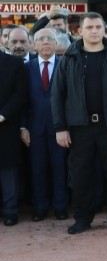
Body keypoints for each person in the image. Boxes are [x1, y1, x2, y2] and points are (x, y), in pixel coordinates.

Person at [51, 12, 107, 234]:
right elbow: (57, 95)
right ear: (80, 31)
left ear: (104, 30)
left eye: (98, 27)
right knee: (80, 176)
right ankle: (82, 218)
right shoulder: (69, 58)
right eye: (89, 27)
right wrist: (60, 127)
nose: (94, 31)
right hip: (80, 128)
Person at [22, 28, 68, 222]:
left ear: (56, 44)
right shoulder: (26, 68)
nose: (46, 42)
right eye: (41, 39)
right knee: (38, 169)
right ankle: (40, 207)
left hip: (60, 129)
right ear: (34, 44)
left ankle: (60, 207)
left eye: (50, 38)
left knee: (60, 168)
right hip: (34, 129)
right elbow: (22, 100)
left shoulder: (65, 65)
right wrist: (23, 127)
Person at [0, 47, 28, 225]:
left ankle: (10, 210)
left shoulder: (14, 63)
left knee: (8, 171)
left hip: (6, 125)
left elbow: (20, 95)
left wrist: (3, 115)